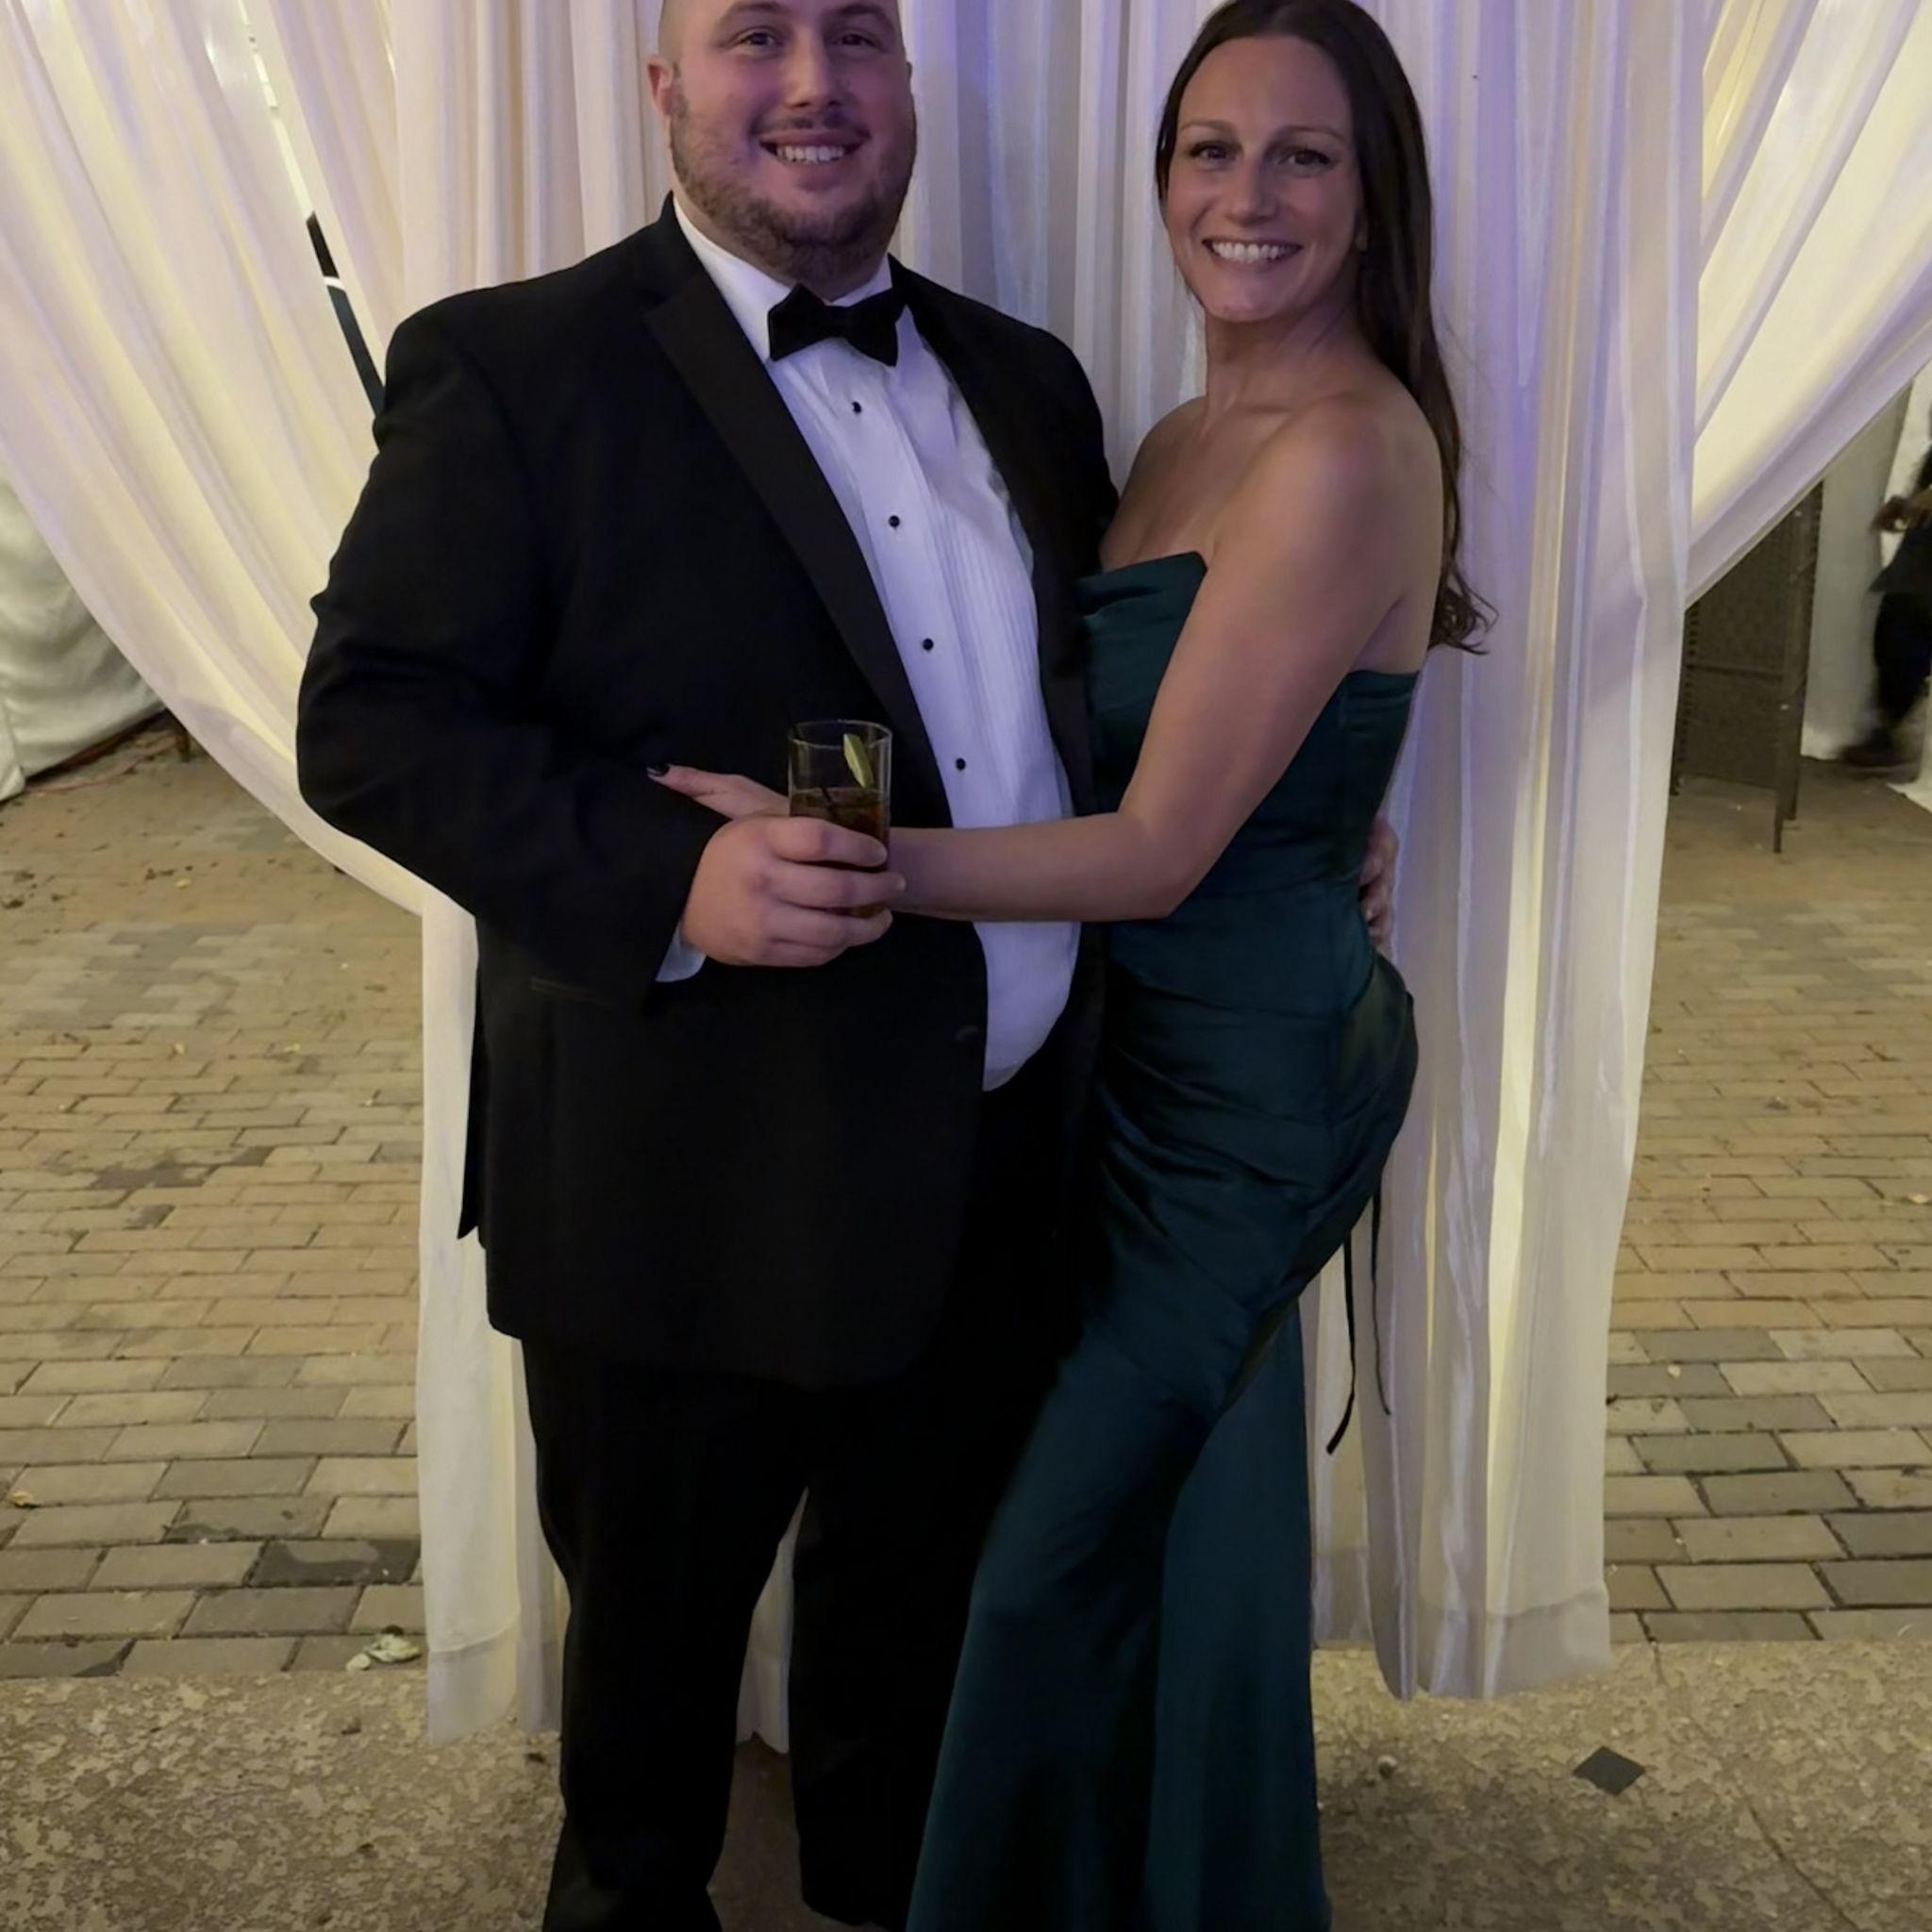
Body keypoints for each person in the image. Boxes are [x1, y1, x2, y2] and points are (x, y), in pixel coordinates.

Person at [296, 2, 1395, 1926]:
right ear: (666, 88)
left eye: (858, 37)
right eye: (756, 36)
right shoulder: (514, 365)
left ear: (905, 86)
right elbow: (371, 724)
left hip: (1000, 1178)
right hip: (680, 1194)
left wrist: (1300, 822)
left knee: (916, 1702)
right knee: (646, 1746)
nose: (813, 83)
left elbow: (1110, 704)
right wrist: (676, 877)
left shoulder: (1031, 381)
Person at [658, 4, 1480, 1926]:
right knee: (1177, 1520)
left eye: (1302, 156)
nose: (1245, 195)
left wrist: (830, 863)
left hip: (1249, 1086)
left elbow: (1153, 844)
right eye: (1209, 149)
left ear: (1370, 203)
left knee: (1044, 1563)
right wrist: (1328, 819)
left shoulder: (1342, 446)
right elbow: (1149, 734)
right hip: (1136, 1053)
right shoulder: (1180, 430)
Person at [1844, 398, 1932, 772]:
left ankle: (1892, 735)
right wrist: (1904, 505)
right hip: (1918, 563)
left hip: (1923, 578)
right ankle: (1889, 731)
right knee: (1891, 632)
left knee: (1907, 636)